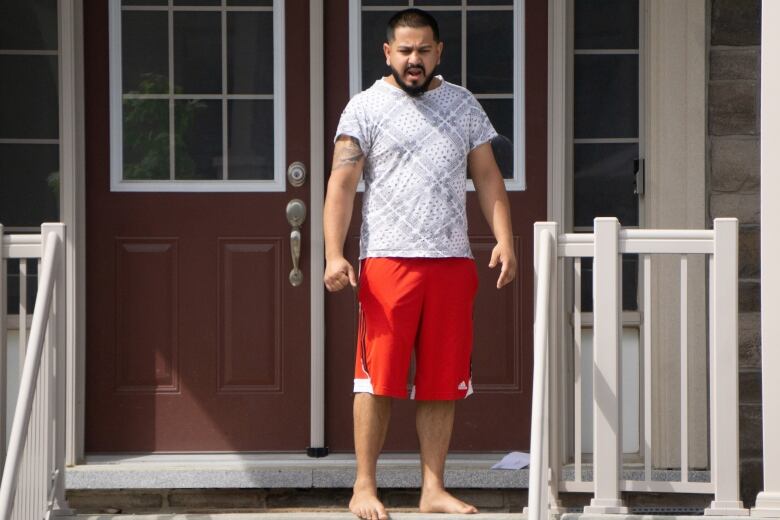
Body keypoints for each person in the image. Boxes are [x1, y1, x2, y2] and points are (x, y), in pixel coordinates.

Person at [323, 8, 516, 520]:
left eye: (424, 50)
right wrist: (333, 253)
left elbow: (489, 176)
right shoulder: (363, 107)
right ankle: (365, 487)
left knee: (441, 380)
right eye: (405, 50)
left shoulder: (464, 105)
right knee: (376, 379)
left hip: (451, 262)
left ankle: (433, 488)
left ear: (439, 52)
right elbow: (341, 184)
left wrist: (504, 239)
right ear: (387, 52)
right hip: (388, 263)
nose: (415, 60)